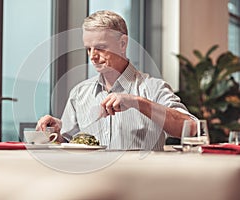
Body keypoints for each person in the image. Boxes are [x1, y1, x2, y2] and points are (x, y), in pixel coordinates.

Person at [36, 10, 196, 150]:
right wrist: (56, 134)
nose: (92, 56)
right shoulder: (79, 93)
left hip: (142, 182)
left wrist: (138, 102)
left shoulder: (154, 88)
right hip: (92, 181)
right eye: (88, 49)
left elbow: (191, 128)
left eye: (100, 47)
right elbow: (69, 143)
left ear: (122, 43)